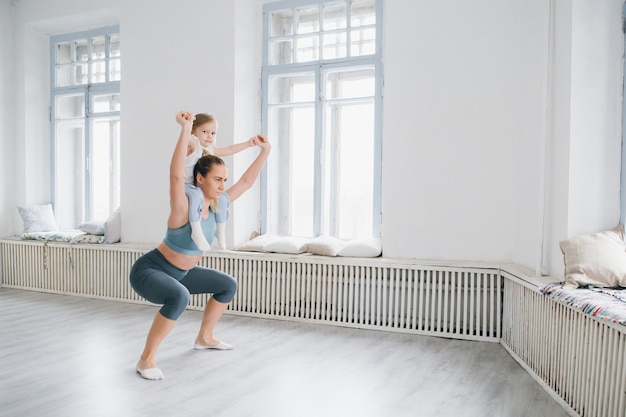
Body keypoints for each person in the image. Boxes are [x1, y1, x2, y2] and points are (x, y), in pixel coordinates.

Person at [130, 110, 271, 380]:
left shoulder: (219, 204)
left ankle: (205, 337)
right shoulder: (183, 206)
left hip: (182, 273)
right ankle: (146, 359)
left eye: (223, 180)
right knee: (179, 296)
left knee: (227, 284)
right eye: (217, 179)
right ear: (199, 179)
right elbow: (174, 176)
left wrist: (265, 151)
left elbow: (247, 182)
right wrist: (185, 129)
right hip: (151, 271)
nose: (222, 185)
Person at [185, 113, 261, 251]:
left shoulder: (210, 150)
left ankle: (220, 232)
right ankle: (196, 232)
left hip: (199, 187)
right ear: (193, 132)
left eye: (213, 133)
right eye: (205, 132)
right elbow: (187, 138)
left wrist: (249, 144)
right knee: (197, 195)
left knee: (223, 200)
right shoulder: (192, 146)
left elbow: (229, 149)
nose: (209, 136)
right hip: (187, 186)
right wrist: (187, 124)